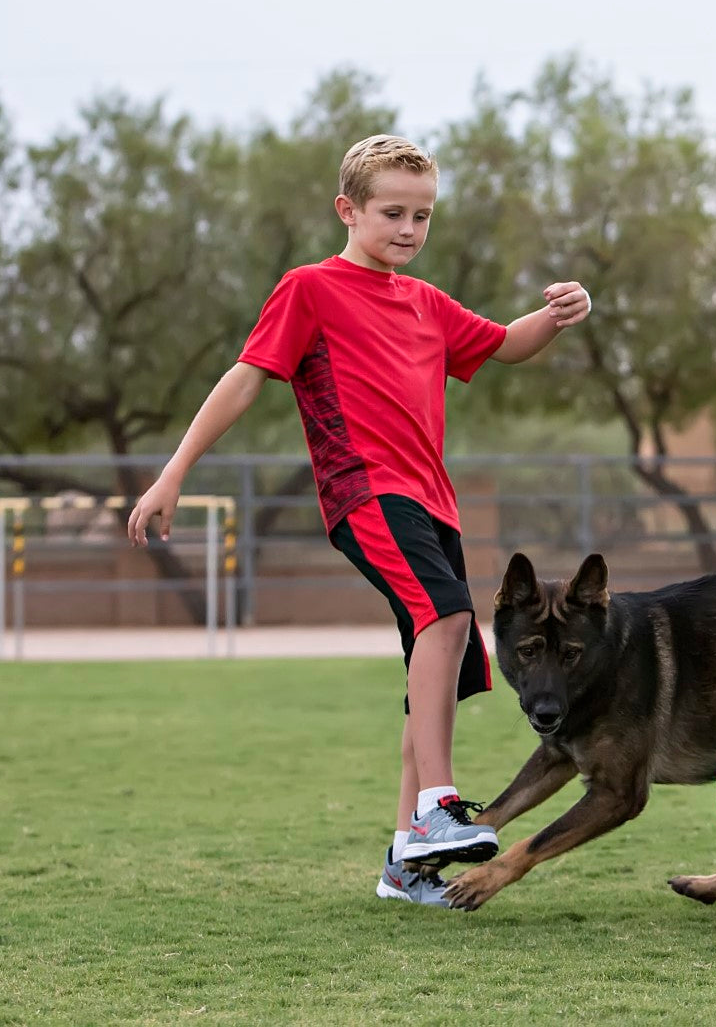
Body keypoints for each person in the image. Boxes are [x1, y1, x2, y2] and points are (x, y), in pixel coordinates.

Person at [125, 134, 591, 907]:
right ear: (349, 210)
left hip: (433, 501)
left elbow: (505, 346)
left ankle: (406, 865)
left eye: (424, 215)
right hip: (367, 494)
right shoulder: (310, 288)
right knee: (446, 618)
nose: (410, 228)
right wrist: (174, 471)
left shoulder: (427, 302)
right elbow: (244, 381)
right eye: (393, 213)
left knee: (432, 663)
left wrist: (558, 315)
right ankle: (439, 809)